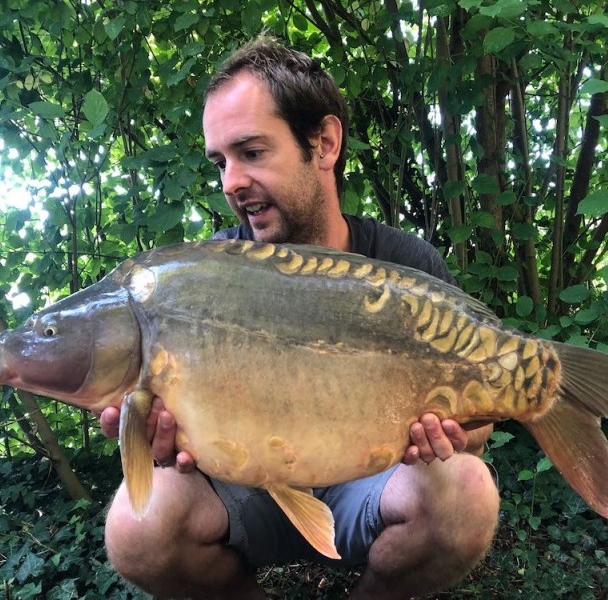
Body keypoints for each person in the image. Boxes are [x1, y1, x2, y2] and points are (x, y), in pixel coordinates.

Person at [97, 35, 499, 600]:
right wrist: (152, 440)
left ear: (325, 143)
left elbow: (480, 425)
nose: (231, 181)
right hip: (245, 488)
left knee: (466, 492)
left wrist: (456, 435)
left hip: (371, 483)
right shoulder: (205, 280)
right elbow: (161, 446)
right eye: (221, 162)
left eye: (252, 152)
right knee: (137, 527)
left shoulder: (405, 267)